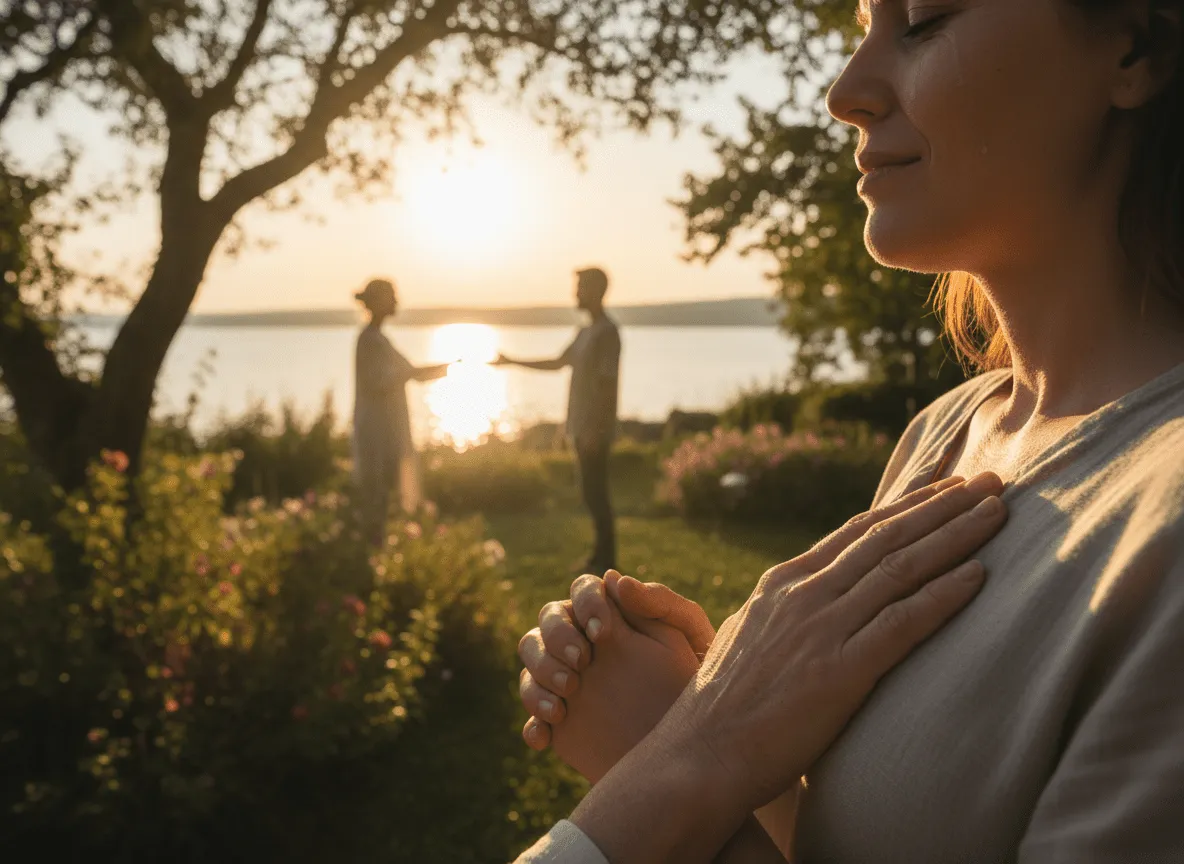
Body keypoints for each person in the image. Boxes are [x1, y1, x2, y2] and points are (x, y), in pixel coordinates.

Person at [514, 0, 1184, 860]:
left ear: (1132, 46)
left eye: (924, 20)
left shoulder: (1164, 531)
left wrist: (675, 768)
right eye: (862, 26)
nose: (846, 92)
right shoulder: (947, 434)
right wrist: (725, 715)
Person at [497, 267, 621, 574]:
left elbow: (606, 386)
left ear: (596, 290)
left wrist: (596, 429)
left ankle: (606, 560)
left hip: (593, 429)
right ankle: (599, 556)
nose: (574, 294)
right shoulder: (585, 332)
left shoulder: (607, 333)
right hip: (580, 426)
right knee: (590, 493)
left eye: (580, 288)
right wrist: (512, 361)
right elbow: (556, 362)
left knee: (597, 494)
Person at [352, 278, 451, 542]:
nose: (397, 301)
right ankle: (372, 550)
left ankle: (377, 548)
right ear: (376, 302)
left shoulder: (379, 338)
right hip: (375, 428)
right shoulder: (369, 340)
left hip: (384, 428)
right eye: (391, 296)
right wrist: (412, 373)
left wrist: (451, 367)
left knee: (383, 491)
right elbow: (380, 380)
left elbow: (411, 372)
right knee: (375, 490)